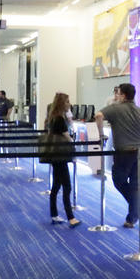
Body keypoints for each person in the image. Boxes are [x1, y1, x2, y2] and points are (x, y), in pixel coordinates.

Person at [96, 82, 140, 228]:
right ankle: (134, 216)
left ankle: (139, 211)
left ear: (123, 95)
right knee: (135, 186)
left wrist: (101, 134)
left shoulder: (116, 108)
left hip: (123, 154)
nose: (116, 96)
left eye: (118, 93)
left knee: (119, 181)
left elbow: (98, 115)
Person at [44, 92, 81, 228]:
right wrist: (74, 150)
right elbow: (68, 138)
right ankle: (70, 217)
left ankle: (54, 215)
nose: (69, 104)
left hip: (55, 155)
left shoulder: (53, 117)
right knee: (67, 186)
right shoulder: (59, 118)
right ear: (61, 103)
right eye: (67, 102)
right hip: (60, 156)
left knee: (56, 186)